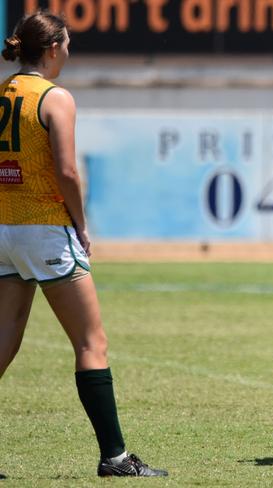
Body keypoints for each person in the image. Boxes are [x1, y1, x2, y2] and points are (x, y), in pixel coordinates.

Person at [0, 11, 167, 477]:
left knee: (3, 344)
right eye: (67, 43)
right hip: (45, 229)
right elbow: (68, 171)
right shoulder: (55, 98)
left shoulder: (3, 92)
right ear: (53, 49)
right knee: (92, 342)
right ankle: (114, 457)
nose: (69, 51)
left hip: (3, 229)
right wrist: (81, 225)